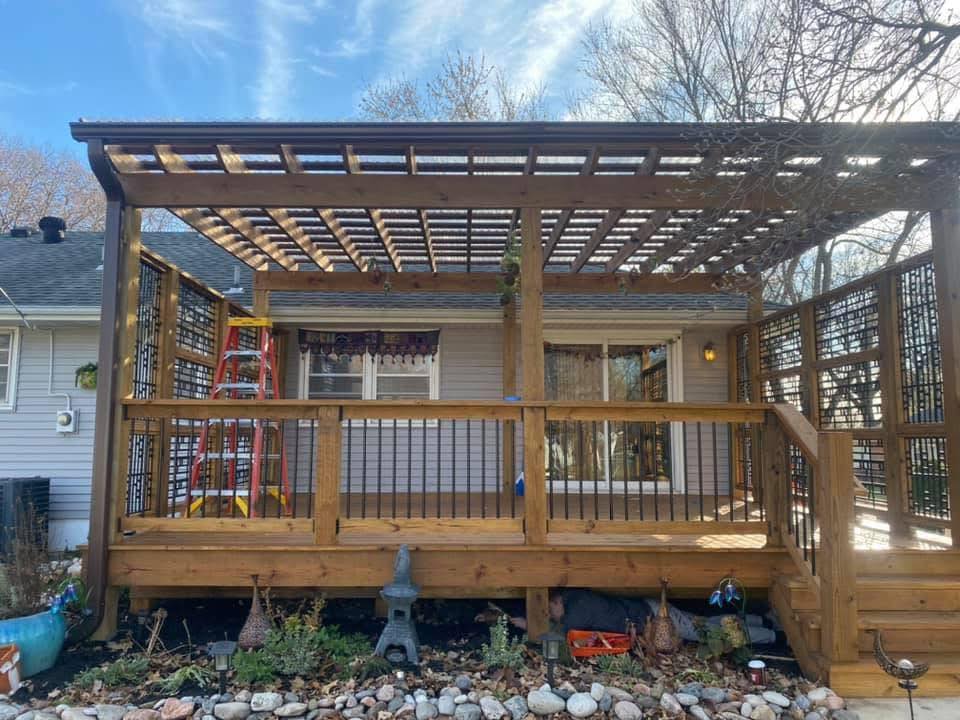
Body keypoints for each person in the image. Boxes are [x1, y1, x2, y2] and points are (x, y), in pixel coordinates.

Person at [509, 589, 775, 645]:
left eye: (550, 610)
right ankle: (758, 620)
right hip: (647, 608)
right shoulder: (576, 598)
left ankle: (772, 634)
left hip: (654, 617)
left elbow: (558, 635)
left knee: (703, 634)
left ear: (557, 601)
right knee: (702, 624)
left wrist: (526, 626)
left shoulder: (577, 609)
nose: (551, 615)